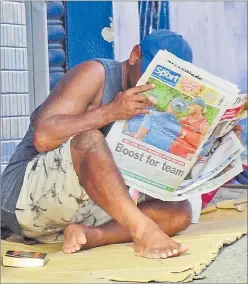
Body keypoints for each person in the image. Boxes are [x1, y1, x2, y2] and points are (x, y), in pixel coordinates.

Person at [1, 30, 193, 258]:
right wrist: (111, 111)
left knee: (180, 211)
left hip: (82, 209)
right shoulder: (95, 73)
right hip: (26, 200)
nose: (153, 86)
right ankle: (143, 230)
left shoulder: (164, 102)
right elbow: (43, 138)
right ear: (134, 55)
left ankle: (93, 235)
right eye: (152, 74)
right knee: (90, 139)